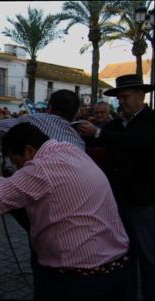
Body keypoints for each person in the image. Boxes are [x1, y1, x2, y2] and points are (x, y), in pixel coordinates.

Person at [0, 122, 129, 300]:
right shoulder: (69, 150)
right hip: (114, 267)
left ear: (28, 150)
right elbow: (17, 183)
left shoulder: (40, 168)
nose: (19, 169)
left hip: (76, 279)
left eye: (18, 162)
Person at [76, 74, 154, 301]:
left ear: (141, 95)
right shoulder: (117, 123)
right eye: (119, 98)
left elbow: (139, 143)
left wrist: (99, 133)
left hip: (144, 202)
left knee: (149, 258)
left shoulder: (150, 120)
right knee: (125, 256)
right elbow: (98, 140)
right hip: (119, 201)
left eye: (125, 97)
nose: (122, 102)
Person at [0, 89, 85, 151]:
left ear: (49, 108)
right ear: (75, 114)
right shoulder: (80, 144)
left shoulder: (33, 119)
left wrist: (11, 154)